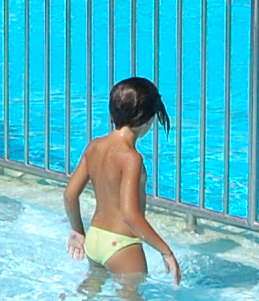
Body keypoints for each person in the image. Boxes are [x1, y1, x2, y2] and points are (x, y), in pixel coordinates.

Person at [61, 76, 181, 284]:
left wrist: (77, 230)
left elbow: (70, 195)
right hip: (121, 244)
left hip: (95, 237)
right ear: (147, 120)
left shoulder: (94, 146)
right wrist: (166, 251)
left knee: (88, 299)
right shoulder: (131, 158)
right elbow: (129, 215)